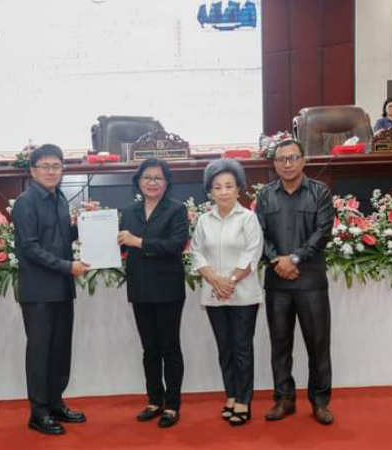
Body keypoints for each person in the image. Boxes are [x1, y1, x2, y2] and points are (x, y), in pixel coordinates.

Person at [255, 139, 335, 425]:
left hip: (310, 281)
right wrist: (278, 261)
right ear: (274, 164)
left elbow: (323, 232)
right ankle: (284, 399)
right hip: (277, 283)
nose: (287, 164)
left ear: (303, 160)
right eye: (281, 159)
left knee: (318, 345)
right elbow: (258, 235)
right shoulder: (265, 195)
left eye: (292, 158)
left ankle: (320, 401)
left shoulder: (320, 192)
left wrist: (295, 259)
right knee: (280, 345)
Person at [12, 144, 90, 435]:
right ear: (32, 171)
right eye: (45, 166)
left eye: (56, 166)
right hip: (38, 291)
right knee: (40, 352)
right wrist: (68, 267)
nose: (51, 171)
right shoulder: (26, 202)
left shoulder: (59, 199)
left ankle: (56, 403)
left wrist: (88, 224)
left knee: (60, 350)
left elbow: (62, 237)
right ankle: (39, 412)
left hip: (61, 287)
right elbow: (29, 248)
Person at [190, 159, 263, 427]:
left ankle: (244, 399)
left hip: (243, 293)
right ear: (209, 191)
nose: (223, 191)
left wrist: (229, 282)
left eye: (229, 186)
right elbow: (196, 252)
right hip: (214, 293)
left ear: (238, 189)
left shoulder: (248, 218)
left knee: (241, 347)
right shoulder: (204, 220)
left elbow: (252, 253)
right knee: (225, 348)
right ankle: (231, 394)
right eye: (217, 187)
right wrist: (215, 280)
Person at [118, 159, 189, 428]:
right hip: (140, 287)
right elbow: (120, 246)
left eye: (157, 178)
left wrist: (139, 242)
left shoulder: (176, 210)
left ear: (166, 182)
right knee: (149, 348)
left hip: (168, 288)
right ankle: (154, 400)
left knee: (170, 347)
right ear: (138, 181)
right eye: (147, 177)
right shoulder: (129, 212)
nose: (152, 182)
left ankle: (172, 404)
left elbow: (176, 245)